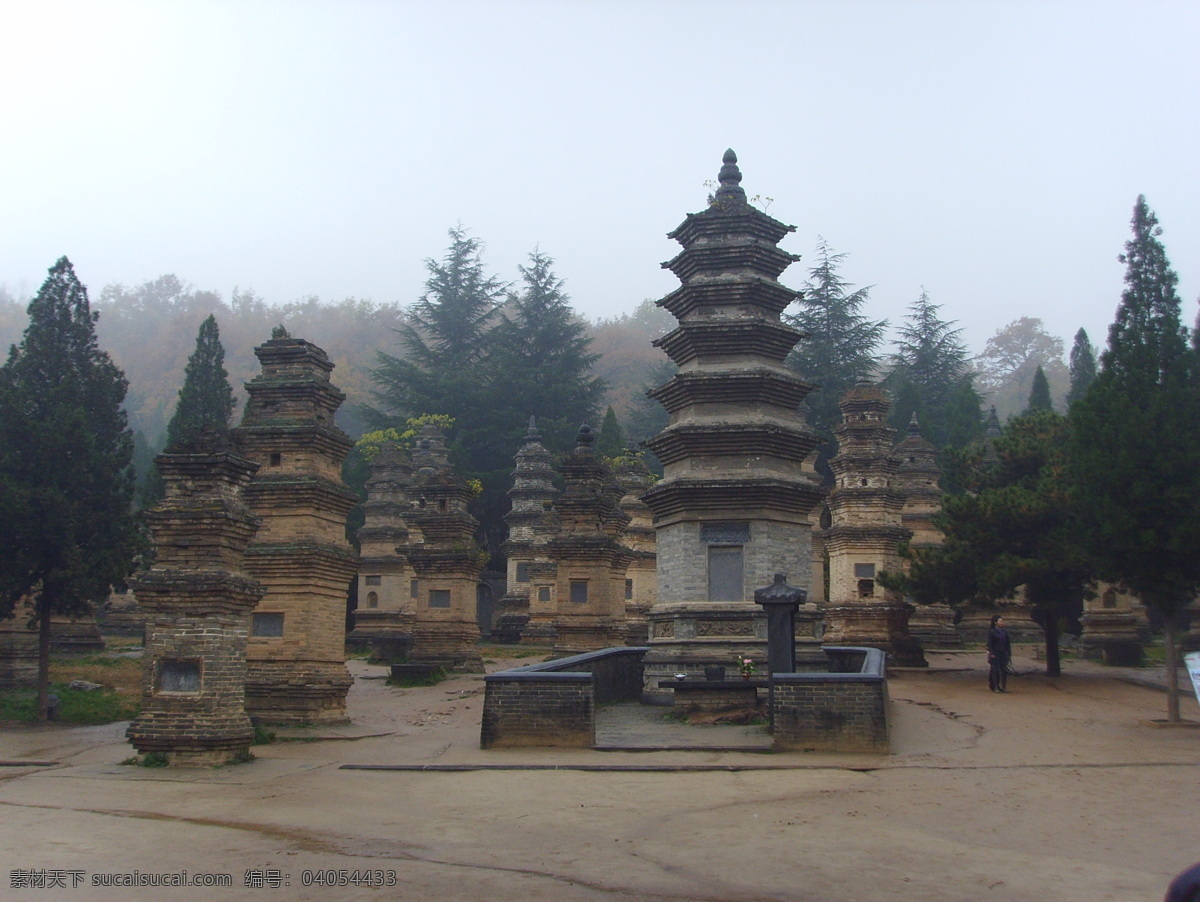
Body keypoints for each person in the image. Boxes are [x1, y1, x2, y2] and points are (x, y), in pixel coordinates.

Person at [987, 615, 1011, 692]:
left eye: (1002, 621)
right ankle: (995, 686)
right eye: (1000, 621)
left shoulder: (1005, 631)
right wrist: (991, 653)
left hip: (1004, 652)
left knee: (1004, 670)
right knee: (995, 670)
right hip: (995, 653)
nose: (1002, 623)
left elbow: (1007, 643)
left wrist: (1009, 653)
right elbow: (990, 643)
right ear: (995, 622)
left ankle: (1003, 686)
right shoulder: (992, 632)